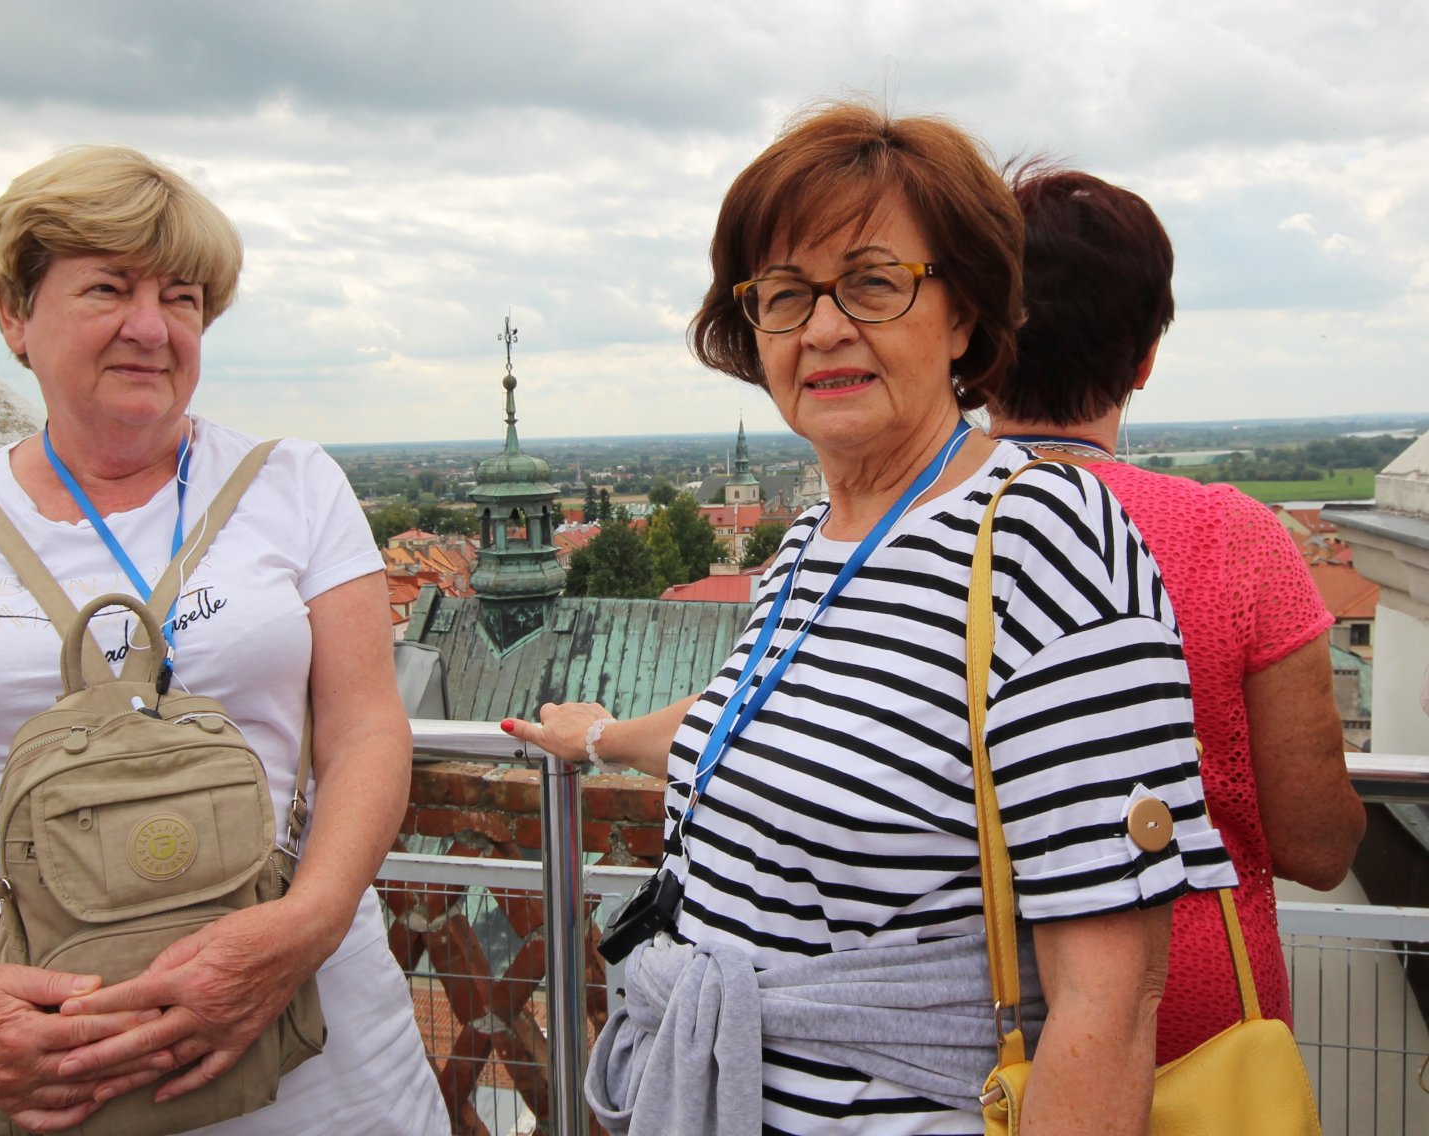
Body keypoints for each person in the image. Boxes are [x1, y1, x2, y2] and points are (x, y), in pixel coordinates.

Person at [503, 102, 1238, 1135]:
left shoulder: (1045, 539)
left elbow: (1108, 1007)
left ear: (965, 315)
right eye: (785, 294)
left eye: (874, 282)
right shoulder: (812, 538)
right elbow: (780, 732)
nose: (823, 328)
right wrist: (600, 737)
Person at [0, 145, 449, 1136]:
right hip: (34, 1068)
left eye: (182, 297)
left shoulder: (293, 483)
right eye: (109, 288)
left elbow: (366, 729)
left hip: (317, 1068)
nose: (152, 327)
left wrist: (302, 927)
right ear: (14, 317)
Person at [984, 165, 1365, 1064]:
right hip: (1201, 1038)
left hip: (976, 1037)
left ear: (976, 344)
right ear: (1145, 358)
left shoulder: (912, 534)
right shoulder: (1233, 537)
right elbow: (1319, 846)